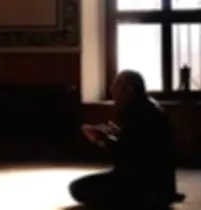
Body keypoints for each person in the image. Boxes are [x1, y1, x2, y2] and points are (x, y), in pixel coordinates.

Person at [69, 70, 186, 208]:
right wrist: (117, 134)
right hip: (159, 184)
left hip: (143, 184)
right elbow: (137, 145)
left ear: (129, 90)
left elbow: (126, 155)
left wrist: (101, 138)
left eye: (116, 85)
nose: (112, 89)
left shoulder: (137, 113)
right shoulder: (148, 108)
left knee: (78, 188)